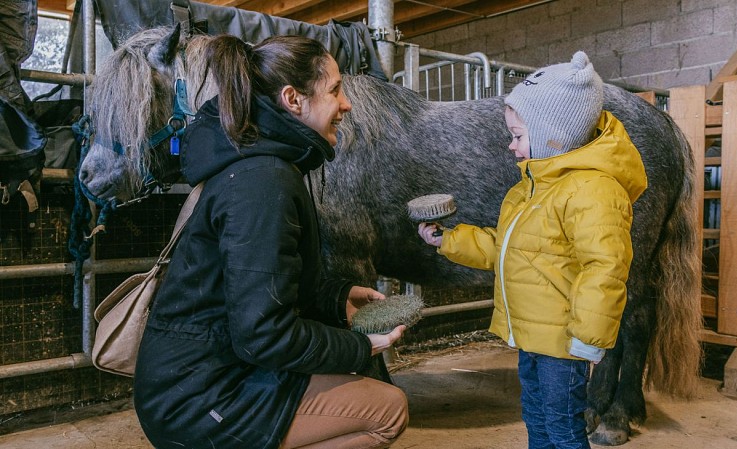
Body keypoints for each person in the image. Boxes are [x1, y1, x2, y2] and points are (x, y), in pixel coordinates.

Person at [134, 34, 408, 449]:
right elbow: (263, 334)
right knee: (387, 410)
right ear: (293, 100)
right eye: (335, 90)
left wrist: (337, 299)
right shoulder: (263, 181)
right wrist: (358, 347)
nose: (346, 104)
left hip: (206, 373)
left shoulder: (264, 165)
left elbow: (269, 282)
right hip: (197, 396)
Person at [417, 51, 647, 449]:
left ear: (554, 135)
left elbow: (605, 268)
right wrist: (448, 240)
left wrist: (589, 339)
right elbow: (503, 248)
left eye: (518, 135)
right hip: (530, 337)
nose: (510, 145)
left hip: (562, 342)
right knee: (537, 420)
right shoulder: (529, 189)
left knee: (562, 427)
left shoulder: (593, 191)